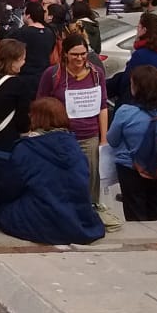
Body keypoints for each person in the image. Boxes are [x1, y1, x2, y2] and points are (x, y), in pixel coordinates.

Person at [0, 98, 105, 246]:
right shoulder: (75, 147)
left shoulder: (27, 148)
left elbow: (8, 189)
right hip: (77, 220)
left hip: (41, 220)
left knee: (3, 211)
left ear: (35, 117)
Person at [37, 33, 110, 215]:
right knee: (61, 180)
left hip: (89, 137)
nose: (80, 58)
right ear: (65, 54)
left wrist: (104, 139)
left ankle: (89, 213)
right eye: (75, 54)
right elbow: (41, 104)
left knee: (90, 180)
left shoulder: (96, 74)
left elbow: (102, 106)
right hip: (60, 137)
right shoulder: (52, 74)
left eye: (83, 54)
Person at [107, 66, 157, 221]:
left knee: (135, 211)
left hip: (131, 167)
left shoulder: (125, 111)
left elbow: (112, 140)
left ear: (137, 87)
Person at [0, 39, 38, 153]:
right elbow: (22, 120)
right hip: (6, 141)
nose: (24, 62)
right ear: (13, 61)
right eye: (22, 59)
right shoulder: (18, 84)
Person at [107, 11, 157, 108]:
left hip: (134, 101)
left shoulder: (141, 54)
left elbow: (127, 80)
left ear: (144, 30)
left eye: (138, 27)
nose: (137, 30)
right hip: (151, 100)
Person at [10, 2, 56, 83]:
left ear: (28, 16)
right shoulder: (50, 32)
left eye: (24, 13)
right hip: (46, 74)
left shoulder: (21, 33)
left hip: (26, 75)